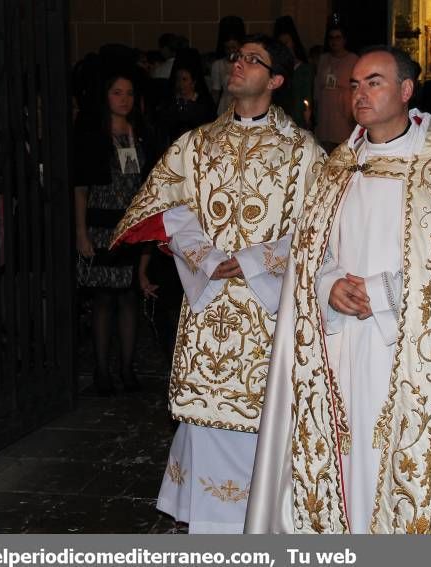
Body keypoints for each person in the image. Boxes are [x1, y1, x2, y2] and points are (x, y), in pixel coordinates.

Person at [245, 46, 431, 534]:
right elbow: (311, 251)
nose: (359, 94)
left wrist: (381, 292)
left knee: (389, 459)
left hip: (406, 348)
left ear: (405, 91)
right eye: (354, 85)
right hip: (338, 340)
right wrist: (329, 283)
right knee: (343, 454)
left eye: (374, 82)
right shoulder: (339, 165)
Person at [111, 35, 325, 534]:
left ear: (275, 80)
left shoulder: (305, 153)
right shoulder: (195, 144)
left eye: (254, 60)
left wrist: (252, 259)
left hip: (266, 309)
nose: (239, 65)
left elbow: (321, 228)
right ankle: (205, 524)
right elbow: (167, 208)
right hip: (207, 303)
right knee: (203, 418)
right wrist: (205, 256)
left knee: (263, 418)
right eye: (237, 57)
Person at [74, 71, 156, 395]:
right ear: (105, 96)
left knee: (128, 297)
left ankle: (126, 367)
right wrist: (81, 233)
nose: (124, 99)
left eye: (129, 93)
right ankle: (102, 370)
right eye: (117, 92)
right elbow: (80, 187)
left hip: (130, 223)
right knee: (104, 297)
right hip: (100, 223)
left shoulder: (143, 134)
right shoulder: (94, 134)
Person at [314, 23, 358, 152]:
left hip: (343, 111)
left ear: (344, 40)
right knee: (324, 148)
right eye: (331, 38)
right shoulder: (323, 59)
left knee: (342, 148)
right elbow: (317, 84)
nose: (334, 41)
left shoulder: (353, 59)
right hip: (325, 110)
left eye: (338, 37)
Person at [274, 15, 314, 129]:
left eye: (287, 43)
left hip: (299, 120)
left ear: (293, 42)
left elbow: (307, 96)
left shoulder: (304, 69)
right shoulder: (276, 70)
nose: (285, 47)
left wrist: (308, 116)